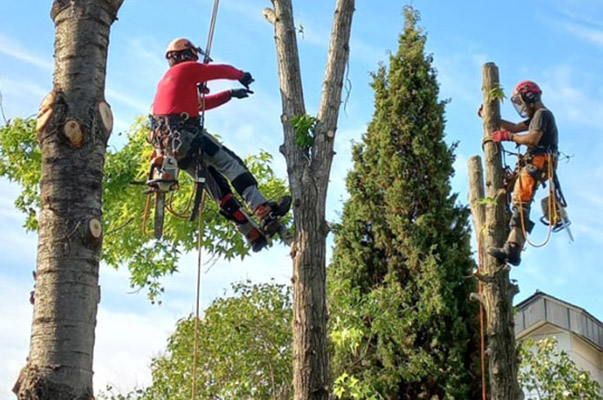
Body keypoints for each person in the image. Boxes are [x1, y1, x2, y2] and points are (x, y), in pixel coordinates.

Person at [151, 38, 290, 251]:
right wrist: (240, 75)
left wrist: (229, 94)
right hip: (185, 135)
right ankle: (263, 210)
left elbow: (201, 104)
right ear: (185, 56)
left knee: (216, 187)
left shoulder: (167, 82)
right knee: (231, 164)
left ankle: (252, 234)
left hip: (172, 149)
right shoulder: (186, 70)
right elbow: (220, 70)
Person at [480, 80, 558, 266]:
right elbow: (515, 127)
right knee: (516, 198)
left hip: (538, 162)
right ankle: (512, 246)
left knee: (521, 201)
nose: (521, 107)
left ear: (529, 97)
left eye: (521, 102)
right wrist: (489, 117)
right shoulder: (536, 118)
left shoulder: (542, 114)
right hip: (537, 164)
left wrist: (508, 137)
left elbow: (531, 139)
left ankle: (513, 248)